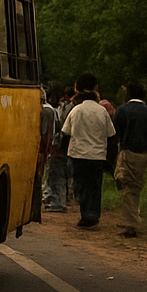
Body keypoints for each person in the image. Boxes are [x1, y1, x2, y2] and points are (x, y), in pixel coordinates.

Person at [61, 73, 117, 228]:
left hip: (78, 154)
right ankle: (92, 214)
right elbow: (111, 135)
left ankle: (85, 213)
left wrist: (65, 152)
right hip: (97, 155)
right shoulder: (102, 111)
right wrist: (110, 156)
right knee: (94, 185)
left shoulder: (76, 111)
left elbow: (65, 133)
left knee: (81, 184)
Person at [113, 81, 147, 237]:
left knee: (128, 186)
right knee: (134, 185)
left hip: (127, 151)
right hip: (143, 154)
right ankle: (132, 216)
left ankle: (131, 223)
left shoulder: (123, 110)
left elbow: (116, 132)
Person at [42, 84, 69, 212]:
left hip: (56, 147)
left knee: (56, 175)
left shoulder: (52, 110)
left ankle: (57, 202)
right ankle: (53, 198)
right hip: (57, 147)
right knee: (54, 174)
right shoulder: (55, 110)